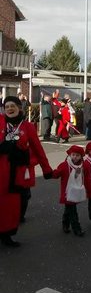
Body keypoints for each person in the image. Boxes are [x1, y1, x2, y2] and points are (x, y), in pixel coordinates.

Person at [0, 96, 53, 246]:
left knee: (12, 204)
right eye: (7, 106)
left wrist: (46, 169)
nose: (9, 108)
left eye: (13, 106)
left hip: (18, 171)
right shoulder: (0, 122)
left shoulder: (28, 127)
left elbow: (38, 149)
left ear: (19, 108)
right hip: (1, 170)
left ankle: (7, 235)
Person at [52, 145, 86, 236]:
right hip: (68, 192)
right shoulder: (64, 165)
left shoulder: (82, 165)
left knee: (69, 209)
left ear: (81, 157)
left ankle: (65, 224)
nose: (75, 157)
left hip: (76, 190)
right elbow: (56, 174)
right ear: (70, 155)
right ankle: (77, 229)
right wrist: (50, 173)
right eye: (73, 154)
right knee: (73, 211)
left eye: (77, 155)